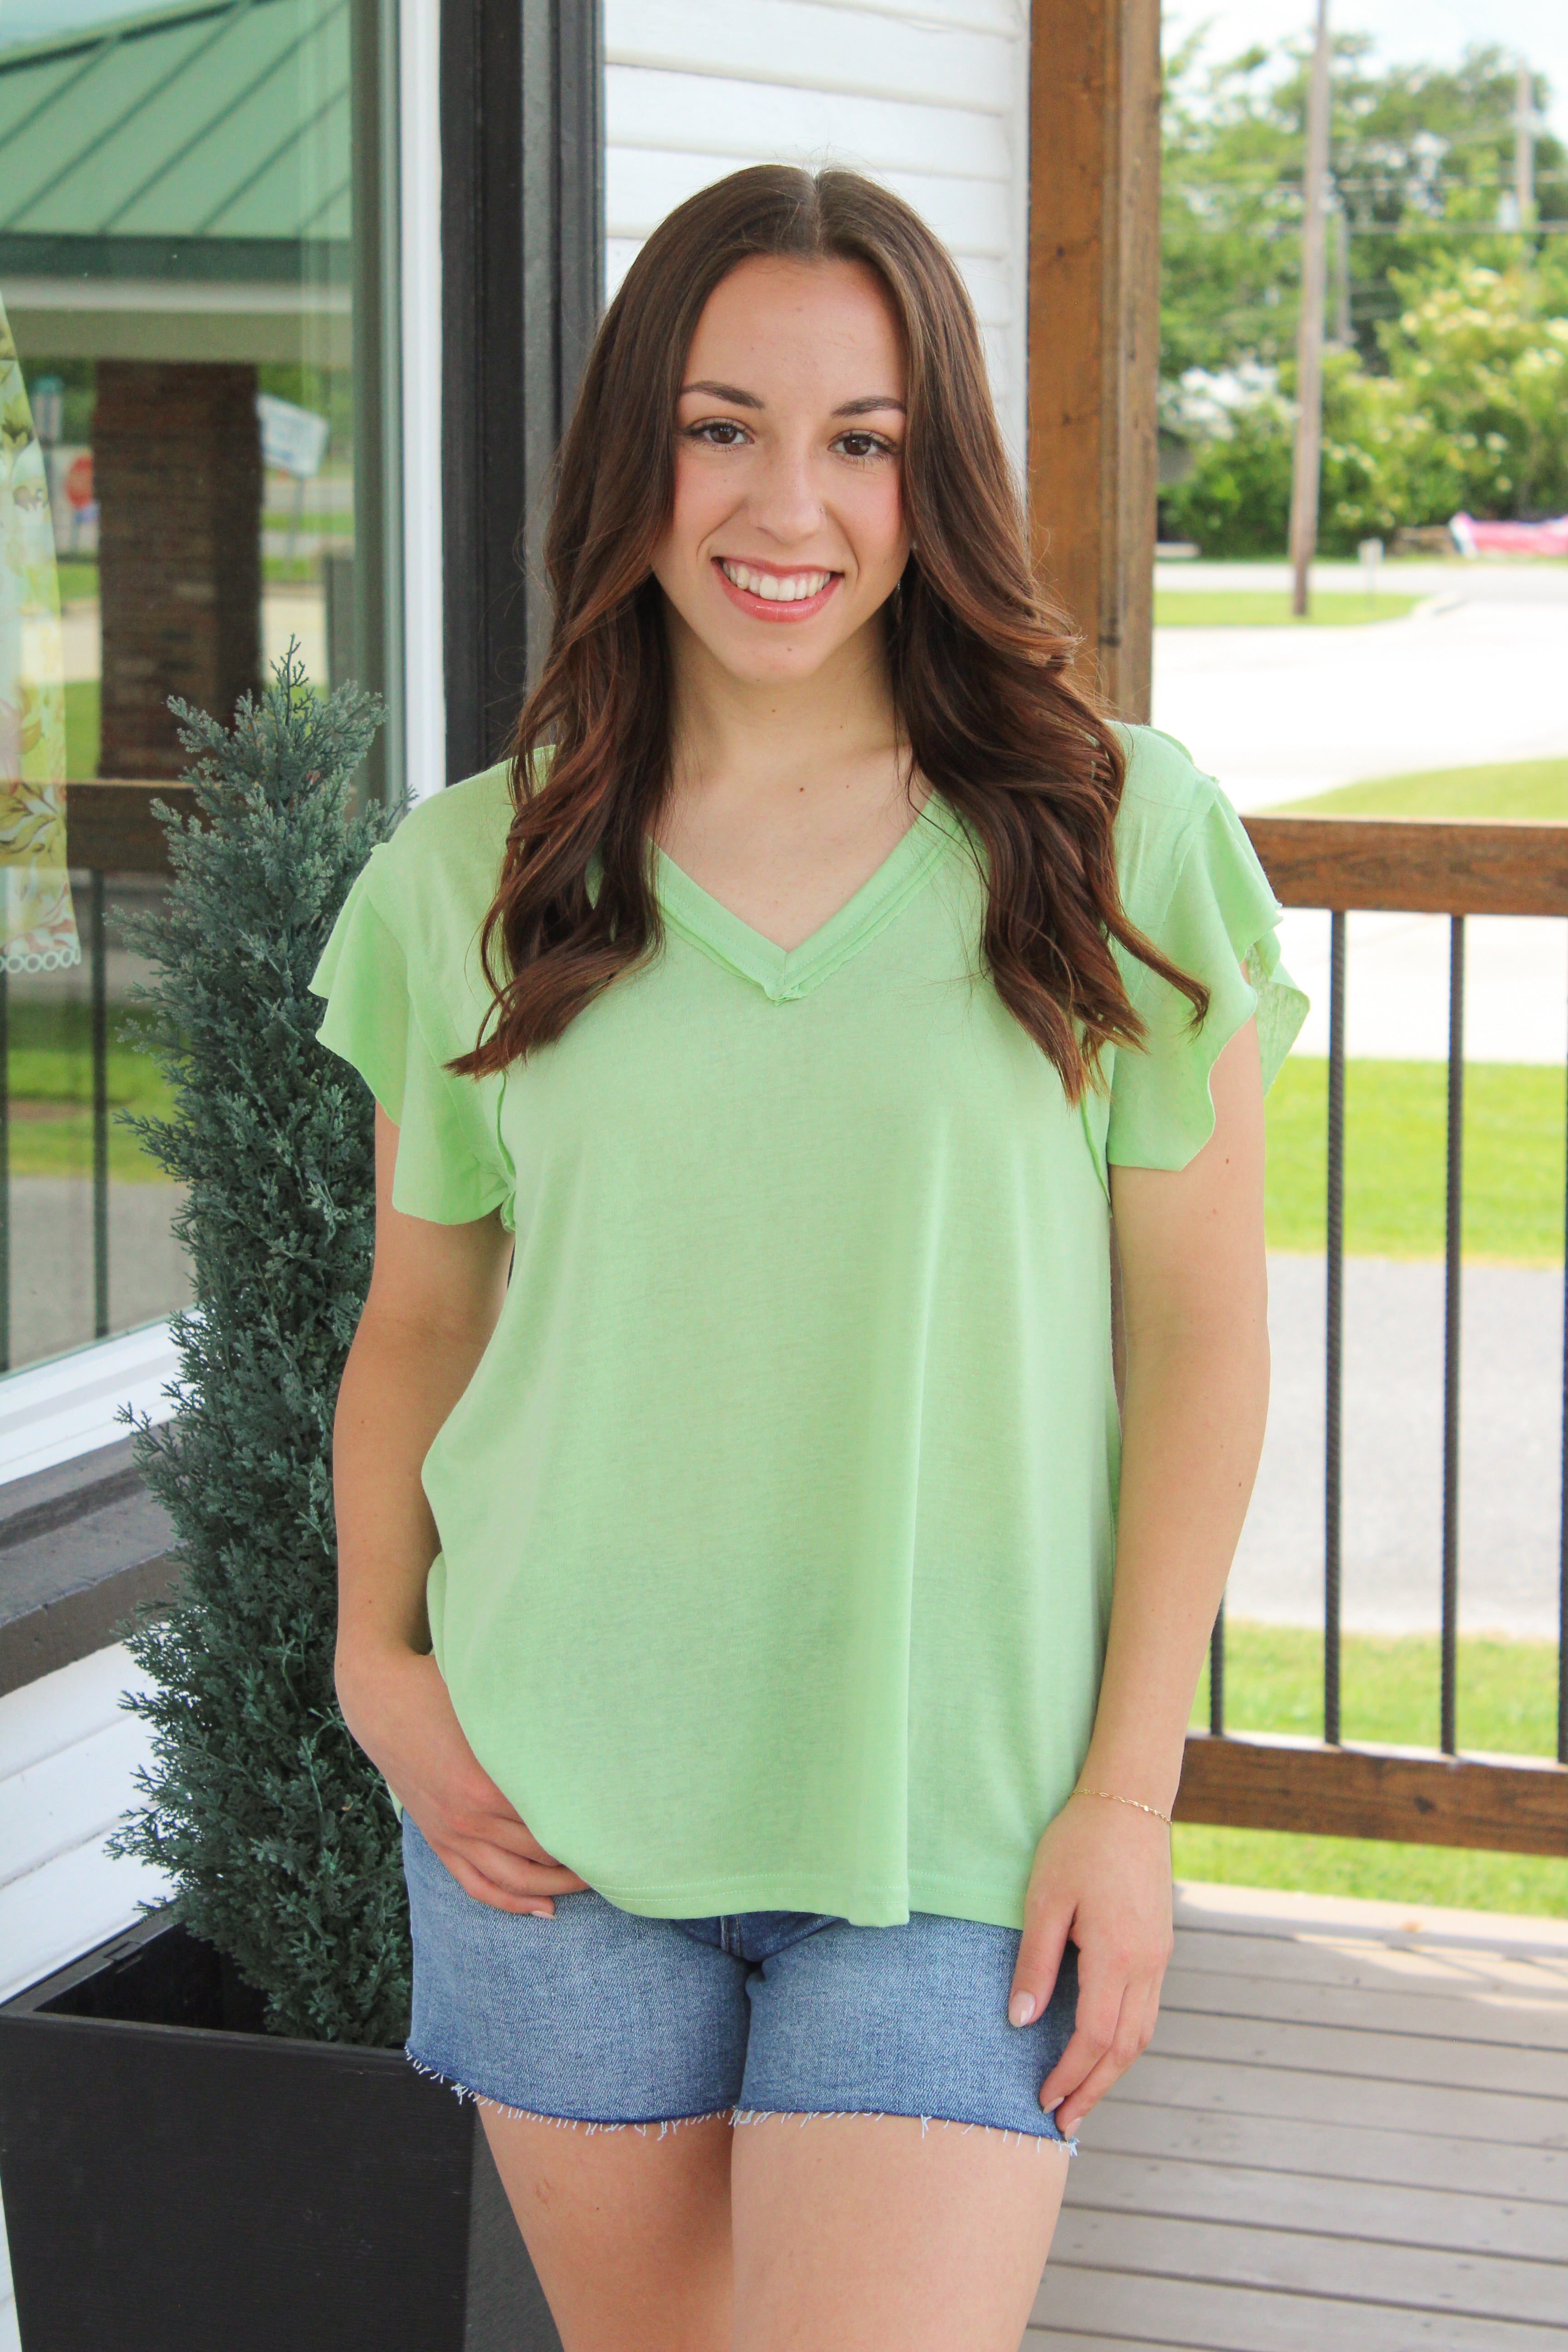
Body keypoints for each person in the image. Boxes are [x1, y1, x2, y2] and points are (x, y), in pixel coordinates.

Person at [312, 165, 1306, 2352]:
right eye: (721, 426)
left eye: (863, 439)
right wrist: (381, 1668)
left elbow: (1201, 1337)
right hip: (552, 1803)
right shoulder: (470, 874)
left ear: (934, 479)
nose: (790, 506)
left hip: (960, 1818)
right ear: (632, 457)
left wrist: (1130, 1794)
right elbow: (423, 1322)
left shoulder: (1116, 836)